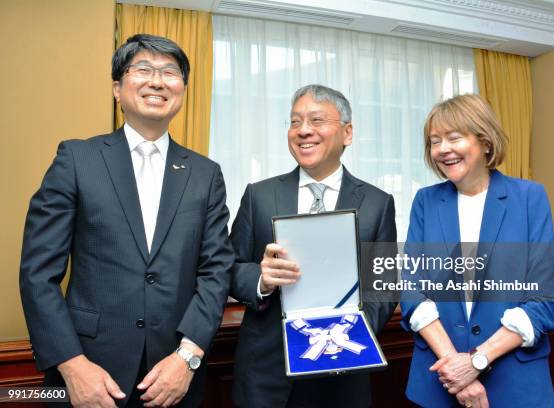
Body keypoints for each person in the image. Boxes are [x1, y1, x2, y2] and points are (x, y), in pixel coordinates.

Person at [19, 34, 234, 408]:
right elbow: (38, 273)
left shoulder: (205, 174)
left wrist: (188, 357)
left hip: (173, 376)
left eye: (170, 72)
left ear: (182, 89)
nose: (158, 80)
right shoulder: (77, 159)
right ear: (117, 88)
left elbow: (216, 272)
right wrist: (71, 366)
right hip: (88, 373)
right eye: (144, 69)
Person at [229, 84, 397, 407]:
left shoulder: (378, 204)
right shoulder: (259, 196)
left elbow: (384, 287)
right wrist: (261, 279)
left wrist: (347, 332)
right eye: (295, 121)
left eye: (316, 120)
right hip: (266, 376)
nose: (303, 130)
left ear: (347, 133)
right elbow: (230, 267)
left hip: (344, 376)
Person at [400, 94, 554, 407]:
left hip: (515, 384)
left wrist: (475, 361)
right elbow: (412, 291)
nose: (442, 149)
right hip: (439, 383)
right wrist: (456, 369)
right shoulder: (426, 201)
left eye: (454, 138)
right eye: (435, 141)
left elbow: (543, 301)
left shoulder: (529, 197)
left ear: (486, 142)